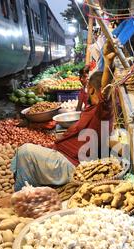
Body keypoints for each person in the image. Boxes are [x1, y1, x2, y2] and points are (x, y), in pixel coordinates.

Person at [9, 42, 117, 193]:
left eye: (88, 88)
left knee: (25, 151)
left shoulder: (102, 111)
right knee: (28, 152)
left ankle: (22, 194)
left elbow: (105, 92)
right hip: (64, 157)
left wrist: (108, 63)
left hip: (70, 165)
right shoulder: (93, 109)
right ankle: (29, 189)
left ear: (92, 89)